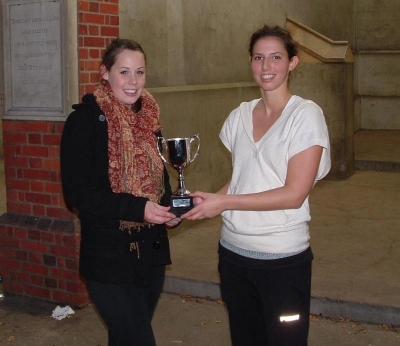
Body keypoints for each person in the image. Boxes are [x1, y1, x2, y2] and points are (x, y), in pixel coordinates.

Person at [181, 25, 331, 346]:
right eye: (259, 57)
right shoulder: (239, 116)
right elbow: (240, 180)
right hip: (233, 256)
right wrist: (208, 201)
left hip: (282, 261)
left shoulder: (305, 116)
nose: (266, 67)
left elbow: (294, 194)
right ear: (250, 61)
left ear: (293, 63)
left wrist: (224, 203)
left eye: (276, 57)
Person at [60, 38, 181, 346]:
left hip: (150, 254)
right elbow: (78, 193)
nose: (133, 82)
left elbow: (159, 178)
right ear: (105, 72)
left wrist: (169, 209)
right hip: (108, 256)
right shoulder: (84, 121)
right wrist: (138, 208)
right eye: (124, 72)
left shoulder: (149, 119)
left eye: (139, 72)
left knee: (124, 338)